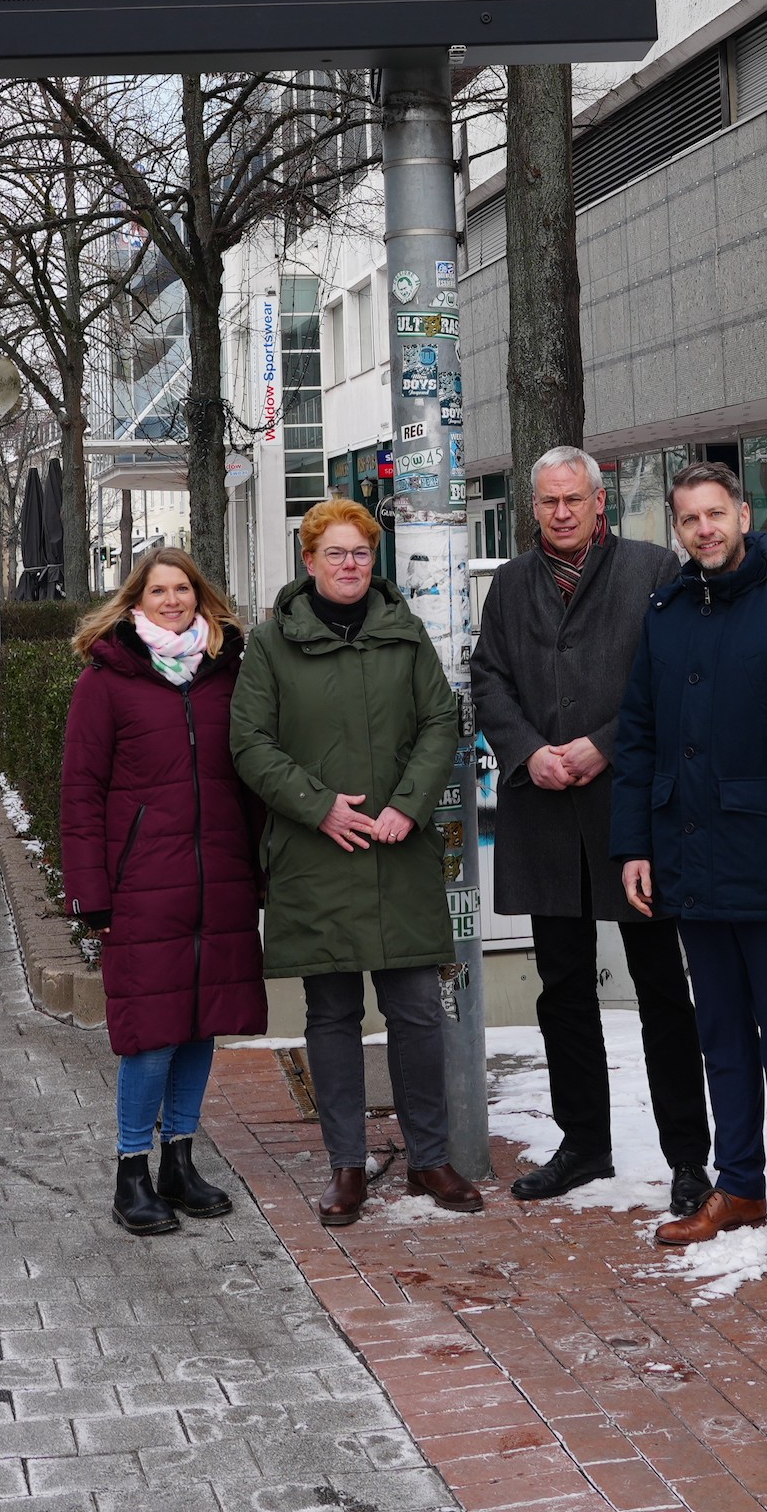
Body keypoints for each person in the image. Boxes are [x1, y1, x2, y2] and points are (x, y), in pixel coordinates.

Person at [610, 462, 767, 1265]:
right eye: (690, 519)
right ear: (677, 528)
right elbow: (639, 739)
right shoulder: (667, 614)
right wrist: (635, 845)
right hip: (689, 860)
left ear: (743, 515)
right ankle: (741, 1185)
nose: (704, 530)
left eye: (715, 514)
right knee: (719, 1035)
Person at [229, 496, 483, 1226]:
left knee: (416, 1011)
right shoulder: (271, 644)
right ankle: (346, 1165)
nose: (350, 565)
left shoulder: (405, 633)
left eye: (362, 552)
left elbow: (440, 720)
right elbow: (249, 742)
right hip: (318, 854)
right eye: (335, 553)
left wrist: (408, 804)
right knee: (332, 1013)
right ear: (308, 561)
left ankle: (429, 1157)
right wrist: (320, 807)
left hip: (399, 851)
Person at [470, 446, 712, 1212]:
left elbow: (677, 678)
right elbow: (488, 676)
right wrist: (526, 750)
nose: (562, 512)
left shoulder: (652, 570)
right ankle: (583, 1143)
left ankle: (688, 1157)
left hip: (632, 811)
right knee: (563, 989)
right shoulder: (511, 584)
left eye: (574, 499)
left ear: (600, 501)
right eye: (549, 501)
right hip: (545, 813)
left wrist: (604, 745)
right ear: (533, 507)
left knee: (661, 988)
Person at [60, 547, 267, 1238]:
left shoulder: (228, 674)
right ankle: (131, 1172)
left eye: (183, 589)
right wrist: (91, 894)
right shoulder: (106, 681)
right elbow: (80, 794)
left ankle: (179, 1161)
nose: (173, 600)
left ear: (200, 598)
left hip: (220, 880)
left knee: (201, 1024)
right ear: (136, 602)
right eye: (159, 591)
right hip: (143, 885)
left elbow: (250, 777)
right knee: (150, 1034)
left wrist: (259, 871)